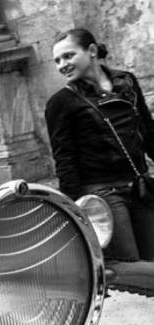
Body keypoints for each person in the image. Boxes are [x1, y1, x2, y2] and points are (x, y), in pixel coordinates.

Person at [45, 28, 154, 261]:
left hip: (140, 185)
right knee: (129, 268)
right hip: (102, 194)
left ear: (92, 51)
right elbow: (65, 161)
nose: (62, 65)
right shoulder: (60, 102)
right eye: (57, 60)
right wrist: (76, 212)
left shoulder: (127, 82)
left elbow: (147, 130)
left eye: (68, 56)